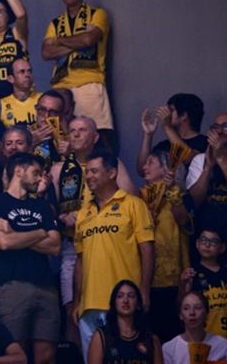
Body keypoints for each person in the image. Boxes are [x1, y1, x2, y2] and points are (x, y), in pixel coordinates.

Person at [73, 149, 155, 361]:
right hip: (89, 305)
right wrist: (77, 301)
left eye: (94, 171)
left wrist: (145, 290)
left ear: (111, 173)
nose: (89, 176)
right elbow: (80, 260)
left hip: (123, 303)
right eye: (87, 172)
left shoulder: (133, 205)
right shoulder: (83, 213)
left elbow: (147, 250)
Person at [0, 152, 60, 364]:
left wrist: (14, 231)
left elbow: (55, 246)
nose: (39, 178)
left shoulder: (41, 205)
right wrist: (40, 232)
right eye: (35, 172)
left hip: (46, 286)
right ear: (19, 171)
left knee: (47, 357)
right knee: (16, 356)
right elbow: (4, 243)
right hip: (12, 286)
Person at [41, 0, 114, 148]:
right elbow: (46, 52)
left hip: (88, 84)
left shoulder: (97, 14)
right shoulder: (55, 23)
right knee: (60, 140)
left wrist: (59, 41)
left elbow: (89, 39)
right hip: (60, 88)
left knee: (97, 138)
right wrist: (79, 42)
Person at [140, 150, 190, 342]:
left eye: (150, 162)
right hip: (146, 279)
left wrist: (173, 192)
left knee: (174, 337)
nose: (144, 167)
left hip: (174, 279)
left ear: (166, 168)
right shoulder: (139, 198)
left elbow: (184, 221)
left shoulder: (180, 195)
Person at [86, 280, 161, 364]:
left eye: (131, 296)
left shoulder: (151, 339)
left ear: (138, 304)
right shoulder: (101, 336)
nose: (125, 300)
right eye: (120, 296)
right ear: (114, 303)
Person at [180, 228, 227, 346]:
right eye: (204, 240)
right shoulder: (191, 274)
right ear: (197, 244)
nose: (207, 245)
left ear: (222, 248)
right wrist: (183, 284)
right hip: (204, 341)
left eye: (213, 242)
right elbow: (182, 306)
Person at [138, 93, 208, 174]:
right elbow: (142, 170)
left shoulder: (206, 143)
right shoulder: (163, 145)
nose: (168, 114)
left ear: (184, 115)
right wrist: (148, 135)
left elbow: (190, 159)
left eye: (171, 110)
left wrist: (167, 127)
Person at [162, 291, 227, 363]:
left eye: (197, 308)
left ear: (206, 313)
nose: (192, 313)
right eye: (186, 308)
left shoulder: (223, 345)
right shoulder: (169, 349)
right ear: (180, 315)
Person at [0, 58, 40, 128]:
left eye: (29, 71)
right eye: (22, 72)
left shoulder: (42, 99)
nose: (27, 75)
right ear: (11, 79)